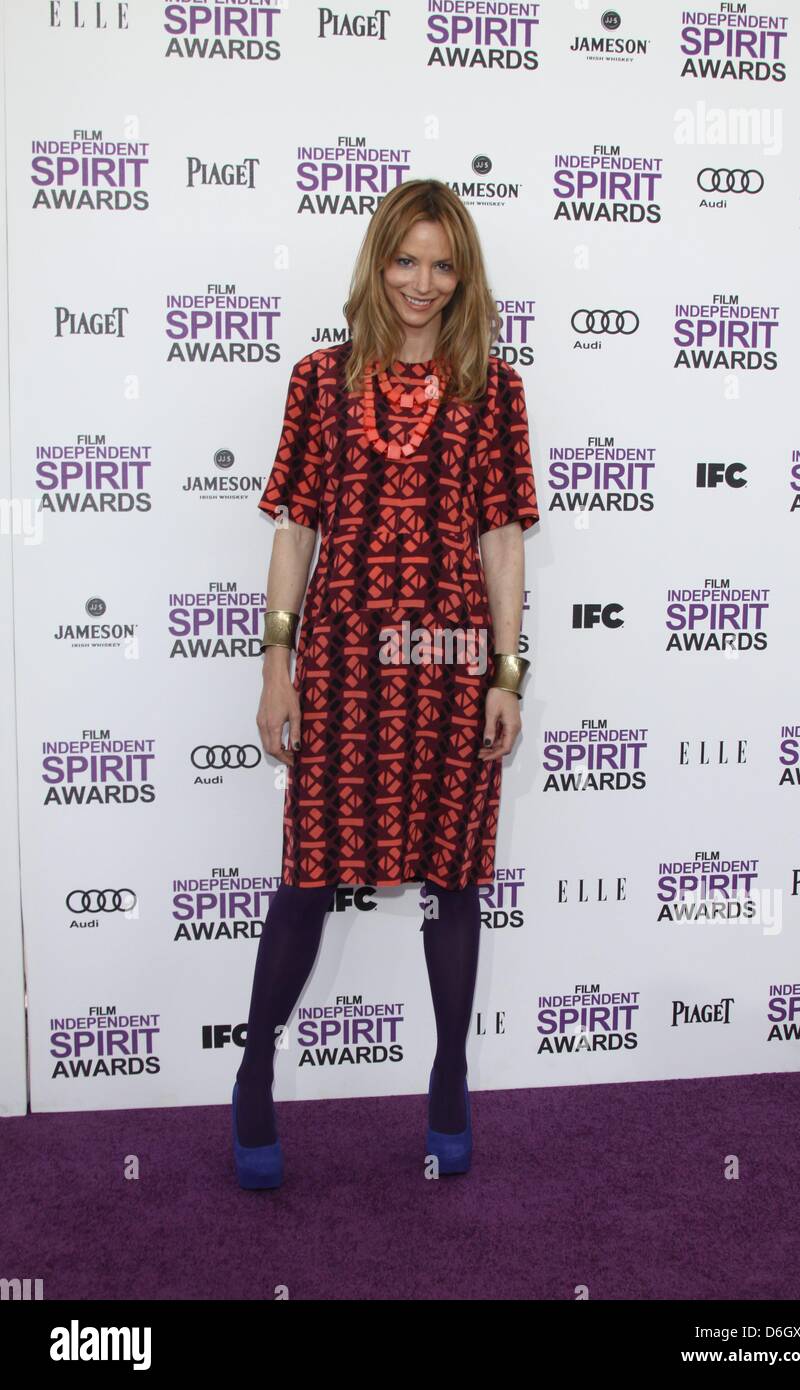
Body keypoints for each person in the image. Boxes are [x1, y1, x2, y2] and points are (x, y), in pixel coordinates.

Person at [230, 178, 540, 1189]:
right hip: (343, 662)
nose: (421, 282)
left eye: (442, 265)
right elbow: (295, 527)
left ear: (464, 277)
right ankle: (253, 1070)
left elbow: (499, 542)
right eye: (404, 260)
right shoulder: (319, 381)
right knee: (308, 873)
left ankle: (448, 1076)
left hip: (451, 665)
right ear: (376, 263)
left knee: (453, 877)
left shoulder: (492, 389)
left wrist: (505, 670)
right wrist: (275, 662)